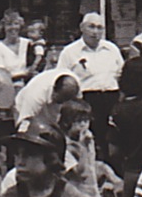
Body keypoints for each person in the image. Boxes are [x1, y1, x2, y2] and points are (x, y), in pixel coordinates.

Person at [53, 12, 125, 154]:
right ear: (82, 28)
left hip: (111, 99)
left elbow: (121, 75)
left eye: (99, 28)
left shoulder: (111, 49)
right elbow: (61, 79)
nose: (95, 32)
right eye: (91, 27)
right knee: (88, 143)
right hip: (86, 101)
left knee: (111, 143)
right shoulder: (70, 52)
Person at [15, 67, 81, 131]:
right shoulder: (35, 95)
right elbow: (24, 124)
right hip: (26, 108)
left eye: (66, 100)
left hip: (50, 109)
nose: (63, 102)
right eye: (60, 99)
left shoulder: (75, 84)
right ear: (54, 90)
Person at [0, 9, 31, 80]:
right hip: (9, 86)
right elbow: (1, 76)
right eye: (9, 24)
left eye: (16, 24)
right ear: (3, 27)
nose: (13, 27)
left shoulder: (27, 43)